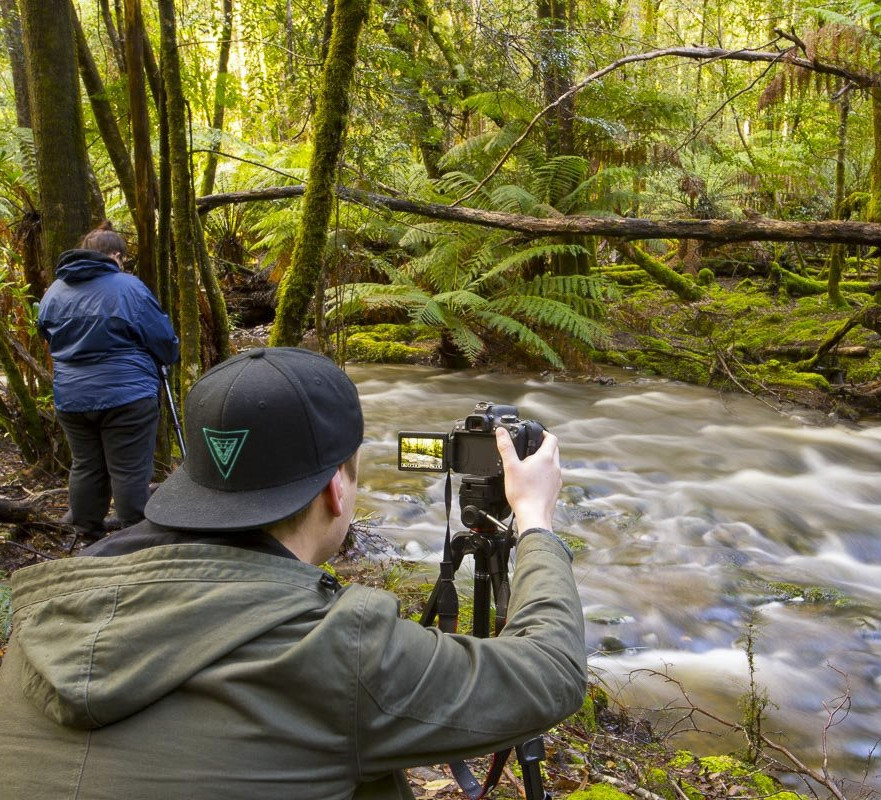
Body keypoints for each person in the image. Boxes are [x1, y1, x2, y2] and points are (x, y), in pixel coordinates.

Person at [0, 347, 586, 800]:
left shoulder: (45, 611)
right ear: (336, 488)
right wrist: (535, 521)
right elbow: (551, 674)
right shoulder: (338, 648)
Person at [36, 222, 180, 539]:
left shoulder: (55, 291)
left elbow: (46, 333)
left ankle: (86, 534)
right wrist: (168, 355)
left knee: (87, 465)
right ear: (116, 255)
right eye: (124, 260)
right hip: (127, 395)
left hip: (72, 397)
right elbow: (161, 338)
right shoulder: (128, 287)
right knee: (128, 470)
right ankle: (136, 536)